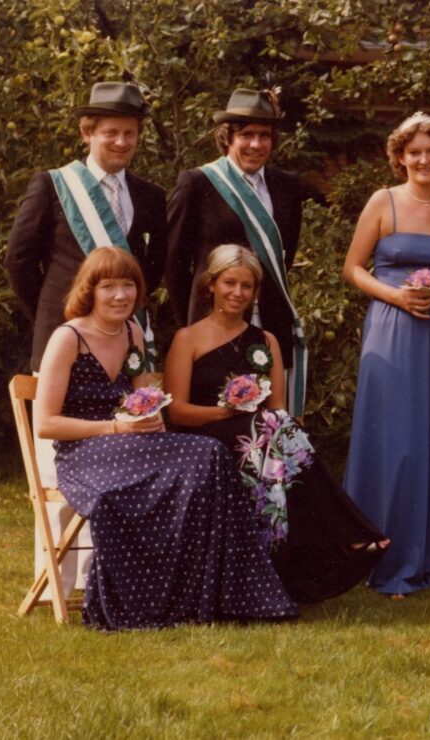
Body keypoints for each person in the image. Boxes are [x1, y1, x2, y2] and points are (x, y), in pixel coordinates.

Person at [34, 247, 297, 630]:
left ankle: (217, 593)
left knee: (208, 454)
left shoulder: (132, 332)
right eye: (109, 287)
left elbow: (143, 402)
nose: (121, 296)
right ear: (89, 290)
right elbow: (45, 424)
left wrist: (148, 418)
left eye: (128, 286)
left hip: (129, 444)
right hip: (84, 452)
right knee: (112, 495)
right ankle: (136, 603)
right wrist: (114, 428)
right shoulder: (68, 338)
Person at [5, 80, 168, 598]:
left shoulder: (149, 195)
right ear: (87, 133)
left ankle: (115, 578)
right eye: (111, 133)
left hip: (122, 347)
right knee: (60, 472)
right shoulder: (53, 185)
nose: (121, 143)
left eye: (130, 134)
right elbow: (18, 261)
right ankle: (55, 584)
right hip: (64, 345)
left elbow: (153, 271)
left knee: (125, 460)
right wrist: (60, 323)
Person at [165, 244, 388, 603]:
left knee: (275, 432)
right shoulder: (187, 339)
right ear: (211, 285)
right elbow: (176, 411)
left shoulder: (266, 341)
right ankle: (348, 530)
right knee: (271, 434)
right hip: (205, 439)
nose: (238, 293)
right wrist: (229, 412)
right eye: (230, 283)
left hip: (262, 440)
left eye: (247, 286)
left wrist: (257, 420)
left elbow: (279, 408)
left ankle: (276, 570)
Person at [341, 112, 430, 598]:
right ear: (399, 157)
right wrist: (394, 296)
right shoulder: (383, 201)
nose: (422, 159)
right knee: (394, 437)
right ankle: (380, 552)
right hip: (391, 329)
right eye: (413, 152)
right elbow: (353, 268)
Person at [166, 87, 307, 414]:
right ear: (227, 137)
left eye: (264, 135)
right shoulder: (197, 183)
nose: (256, 145)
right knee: (215, 412)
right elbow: (173, 265)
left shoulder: (287, 185)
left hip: (268, 319)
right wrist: (191, 324)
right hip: (211, 322)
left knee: (267, 416)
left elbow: (283, 258)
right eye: (246, 135)